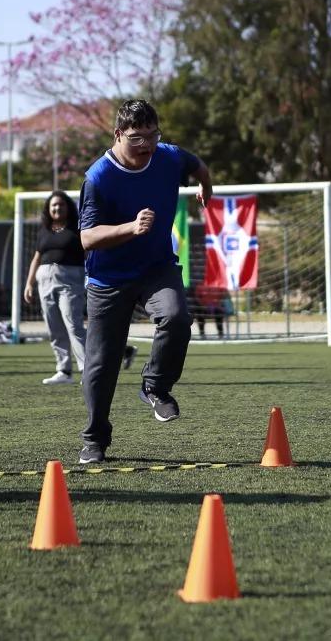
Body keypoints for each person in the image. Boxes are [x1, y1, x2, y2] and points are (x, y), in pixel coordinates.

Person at [75, 99, 213, 464]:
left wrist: (206, 187)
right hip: (109, 278)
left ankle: (155, 386)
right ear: (118, 134)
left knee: (177, 317)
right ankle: (94, 439)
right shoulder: (98, 177)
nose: (148, 145)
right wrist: (130, 228)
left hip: (156, 267)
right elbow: (87, 237)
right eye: (138, 138)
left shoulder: (168, 156)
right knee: (101, 364)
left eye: (154, 135)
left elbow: (197, 164)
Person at [24, 191, 87, 385]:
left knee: (73, 324)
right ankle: (63, 370)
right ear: (48, 209)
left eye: (60, 205)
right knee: (54, 327)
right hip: (45, 282)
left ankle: (88, 370)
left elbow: (89, 252)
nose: (57, 208)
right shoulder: (45, 230)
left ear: (68, 207)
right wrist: (29, 283)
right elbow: (36, 257)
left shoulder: (77, 229)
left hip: (70, 281)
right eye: (53, 206)